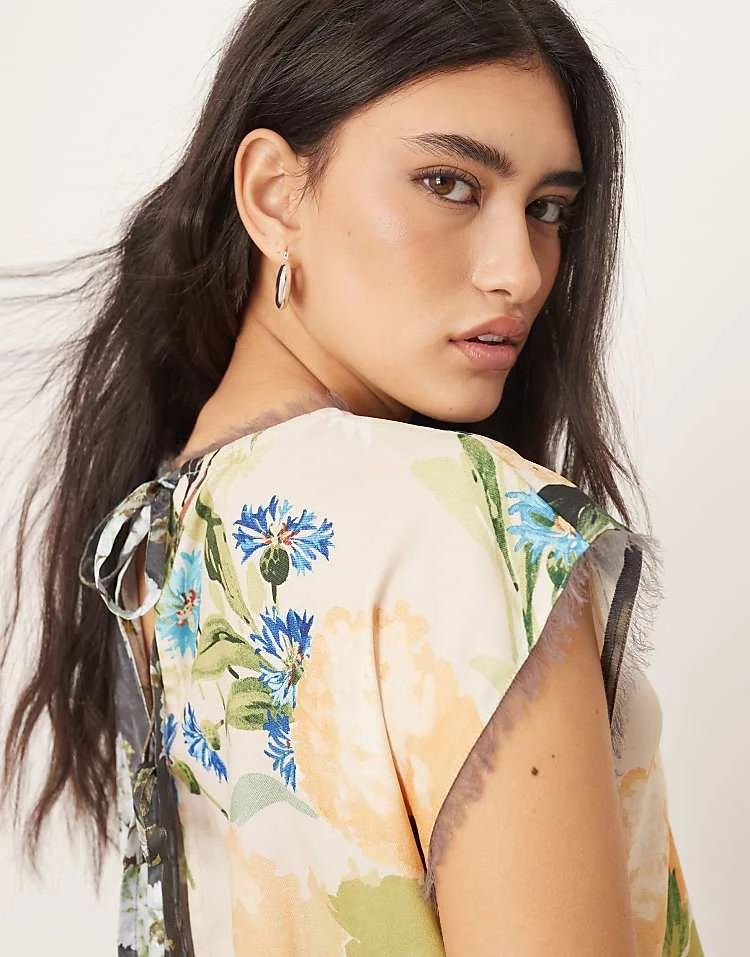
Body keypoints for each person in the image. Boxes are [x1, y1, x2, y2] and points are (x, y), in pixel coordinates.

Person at [0, 1, 704, 955]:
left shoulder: (155, 540)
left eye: (547, 209)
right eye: (450, 184)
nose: (521, 272)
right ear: (274, 195)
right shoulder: (473, 521)